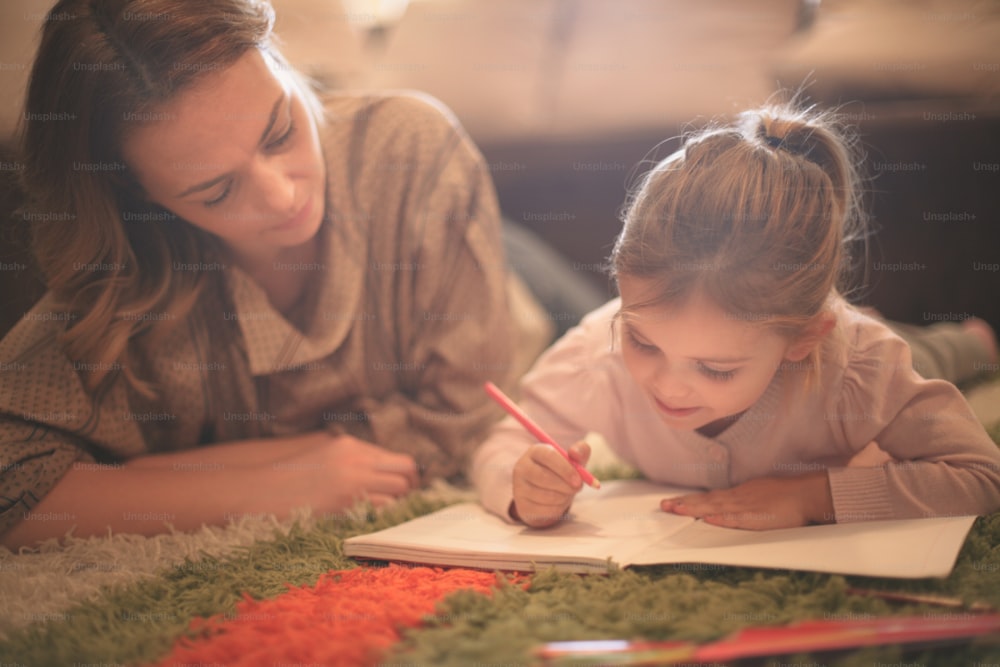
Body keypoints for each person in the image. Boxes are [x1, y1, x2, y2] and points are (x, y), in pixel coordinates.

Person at [0, 0, 551, 548]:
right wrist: (268, 483)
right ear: (135, 196)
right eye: (216, 190)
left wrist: (166, 474)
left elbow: (464, 426)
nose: (284, 197)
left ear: (281, 61)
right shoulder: (126, 274)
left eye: (280, 131)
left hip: (517, 289)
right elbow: (13, 478)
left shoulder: (413, 147)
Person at [472, 103, 1000, 530]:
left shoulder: (858, 366)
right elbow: (502, 443)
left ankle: (973, 339)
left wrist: (815, 495)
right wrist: (520, 484)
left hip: (868, 341)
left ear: (803, 339)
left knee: (941, 354)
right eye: (644, 342)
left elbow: (981, 474)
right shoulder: (597, 350)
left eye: (716, 368)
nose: (669, 387)